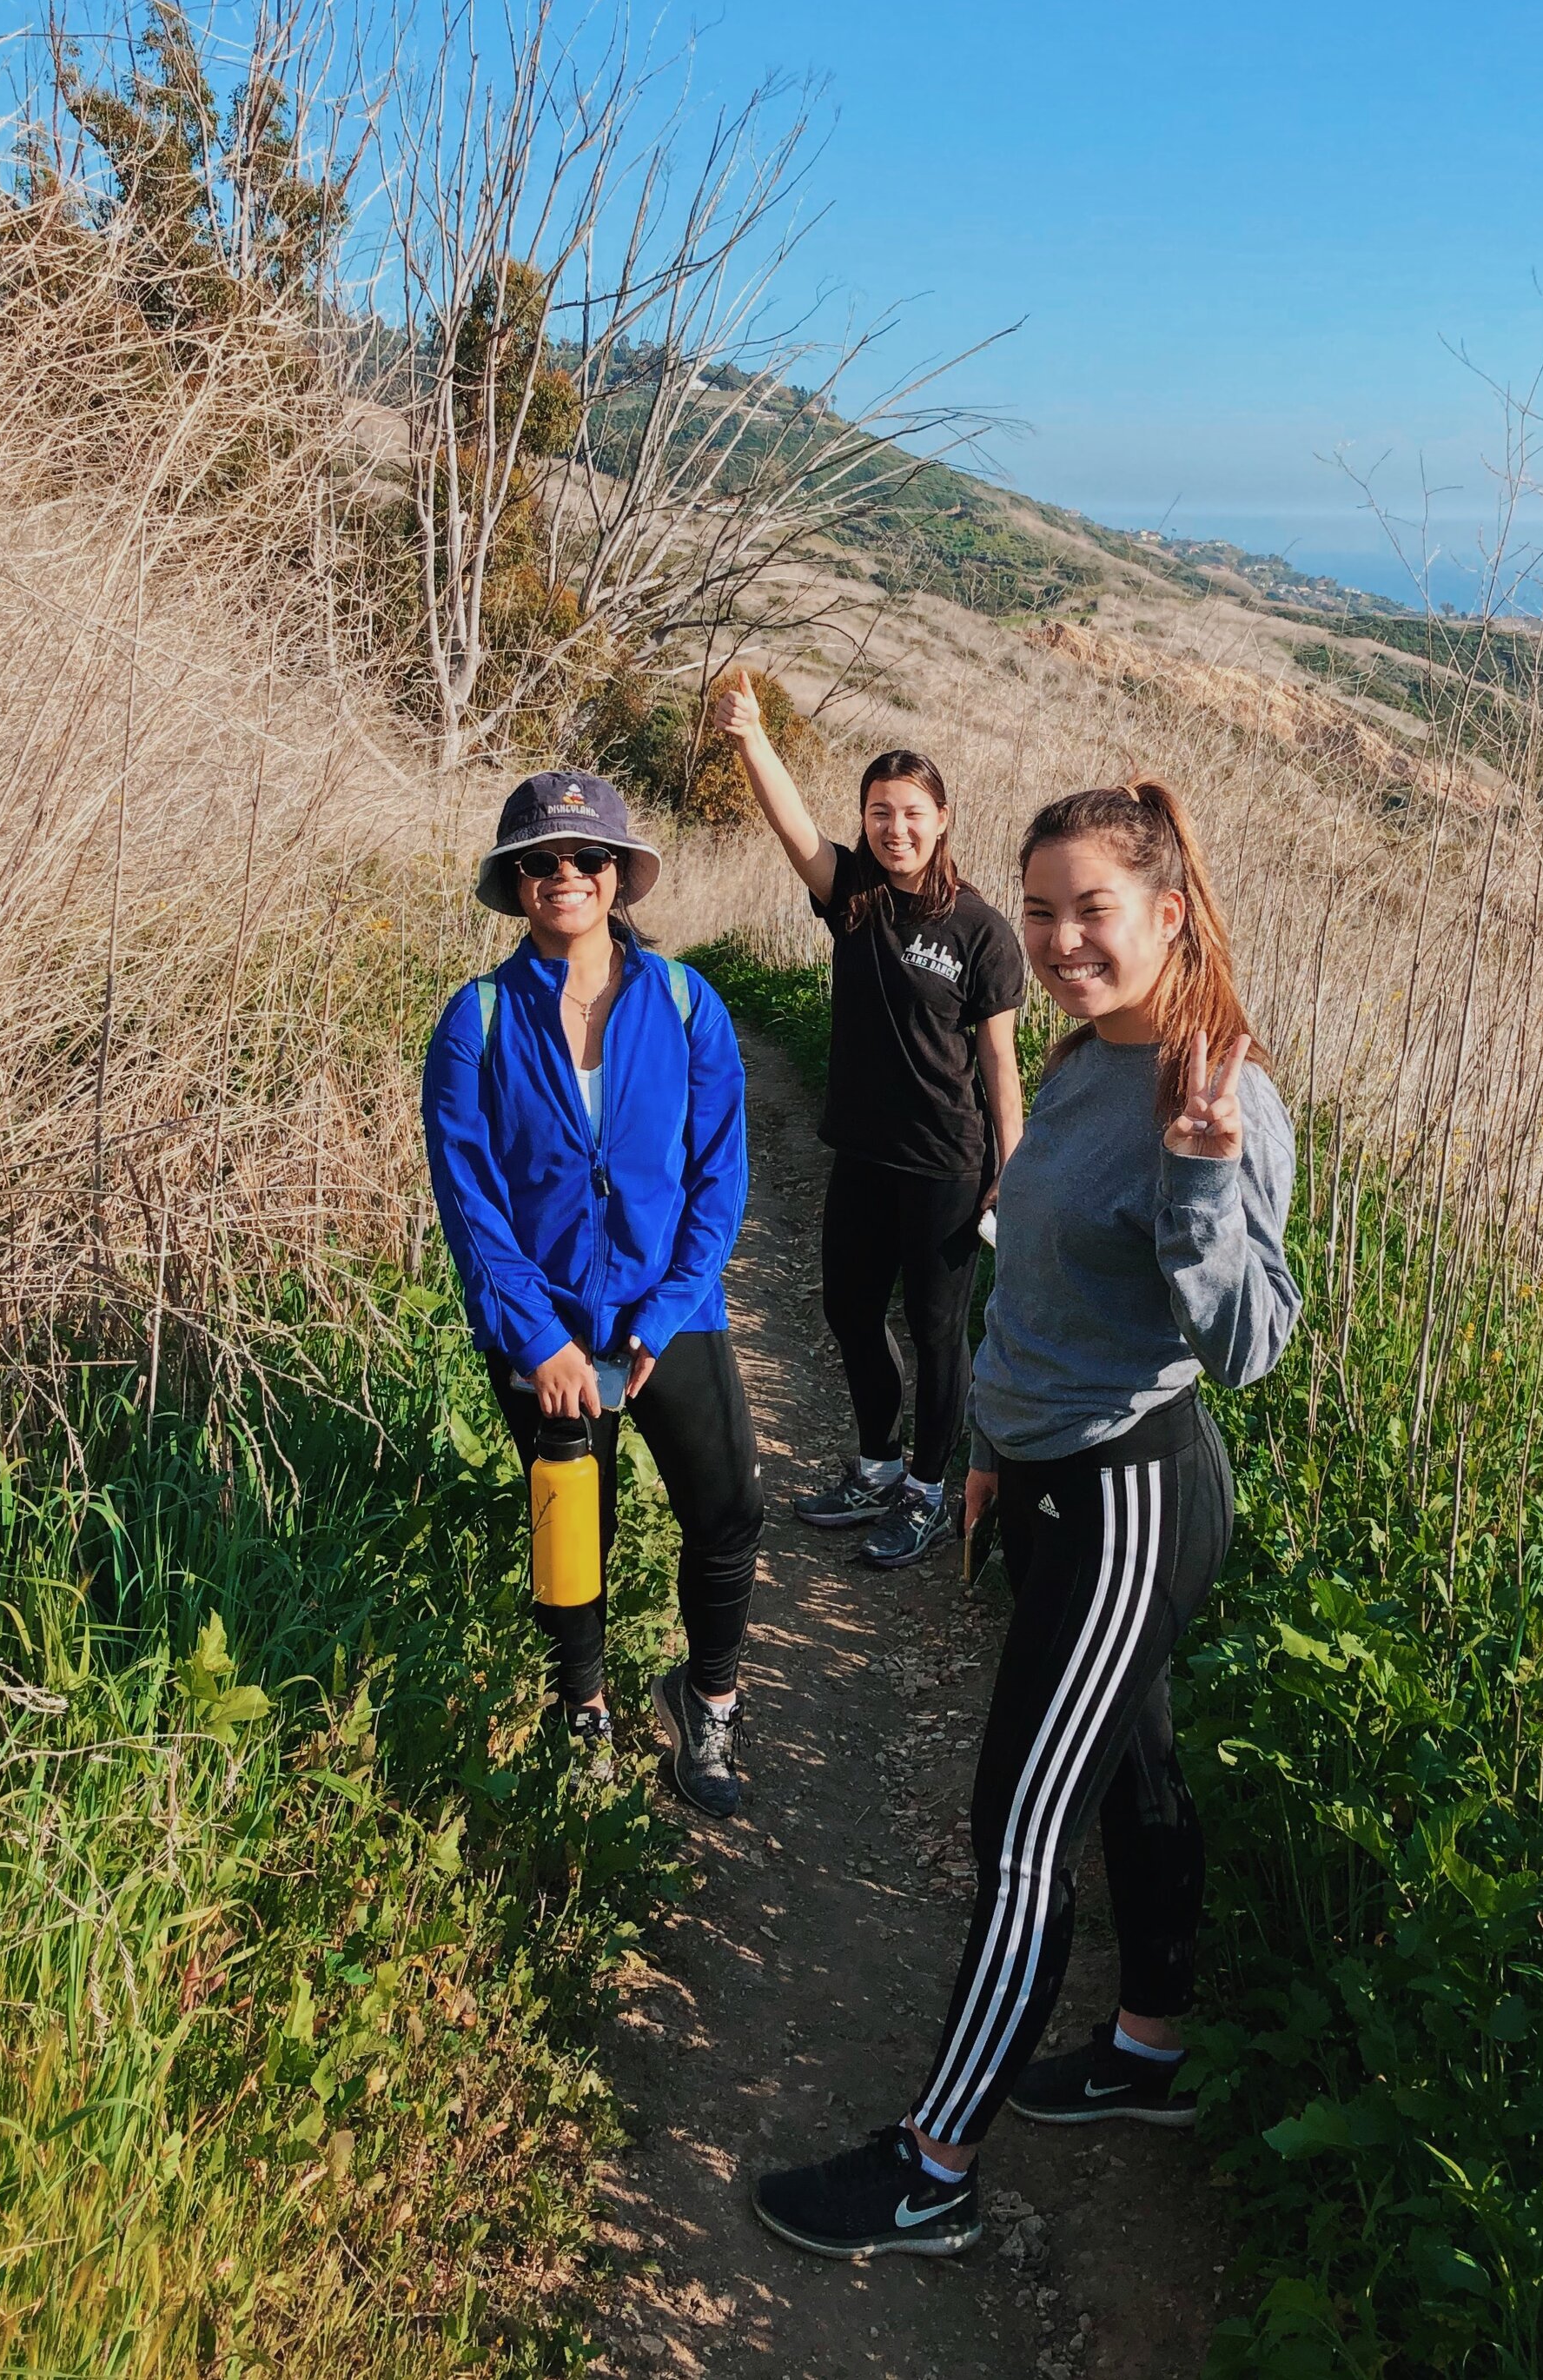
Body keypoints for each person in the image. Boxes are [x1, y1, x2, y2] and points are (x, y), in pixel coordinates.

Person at [751, 777, 1301, 2257]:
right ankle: (1149, 2049)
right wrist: (994, 1437)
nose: (1060, 939)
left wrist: (1203, 1180)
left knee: (1021, 1825)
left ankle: (931, 2170)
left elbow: (1250, 1343)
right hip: (1054, 1477)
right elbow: (1039, 1281)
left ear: (1168, 912)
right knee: (1133, 1766)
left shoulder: (1216, 1092)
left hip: (1134, 1495)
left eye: (1092, 910)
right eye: (1042, 909)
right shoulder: (1082, 1057)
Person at [421, 771, 761, 1819]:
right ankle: (584, 1713)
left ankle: (708, 1703)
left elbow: (719, 1176)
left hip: (672, 1311)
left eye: (588, 857)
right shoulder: (476, 1021)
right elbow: (470, 1203)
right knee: (573, 1533)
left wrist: (664, 1310)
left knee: (727, 1511)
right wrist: (538, 1341)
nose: (565, 874)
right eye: (540, 860)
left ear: (619, 876)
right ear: (515, 882)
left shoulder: (686, 1003)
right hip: (545, 1328)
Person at [712, 672, 1024, 1569]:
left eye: (912, 813)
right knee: (850, 1310)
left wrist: (1014, 1162)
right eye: (879, 812)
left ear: (942, 818)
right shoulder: (853, 896)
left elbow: (998, 1062)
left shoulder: (981, 931)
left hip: (946, 1162)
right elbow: (793, 830)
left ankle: (928, 1492)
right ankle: (879, 1466)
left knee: (936, 1331)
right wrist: (751, 739)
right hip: (862, 1153)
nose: (895, 828)